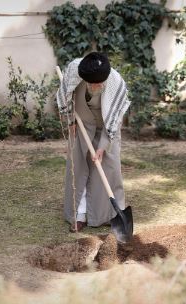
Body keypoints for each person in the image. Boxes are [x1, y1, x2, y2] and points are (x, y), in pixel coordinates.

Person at [56, 52, 131, 232]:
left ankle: (108, 215)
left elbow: (114, 121)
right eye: (92, 83)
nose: (96, 86)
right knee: (79, 168)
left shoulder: (116, 83)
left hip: (107, 128)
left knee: (108, 168)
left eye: (99, 83)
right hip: (81, 125)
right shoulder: (75, 71)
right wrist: (71, 120)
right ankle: (79, 215)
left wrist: (102, 147)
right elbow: (65, 96)